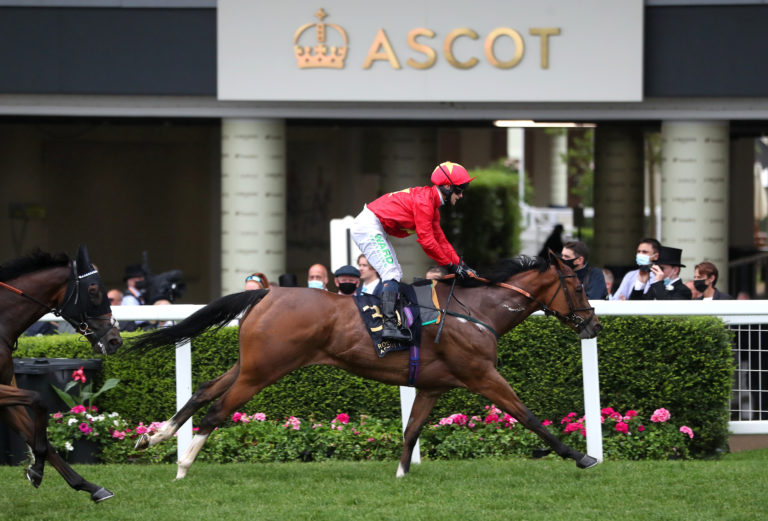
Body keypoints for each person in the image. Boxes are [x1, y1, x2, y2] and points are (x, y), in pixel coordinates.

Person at [350, 160, 477, 342]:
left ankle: (391, 321)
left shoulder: (431, 204)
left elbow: (441, 241)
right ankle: (389, 326)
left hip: (373, 225)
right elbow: (427, 242)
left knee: (395, 272)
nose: (461, 195)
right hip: (368, 226)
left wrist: (461, 265)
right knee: (391, 272)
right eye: (460, 189)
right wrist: (450, 265)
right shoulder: (425, 203)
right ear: (448, 186)